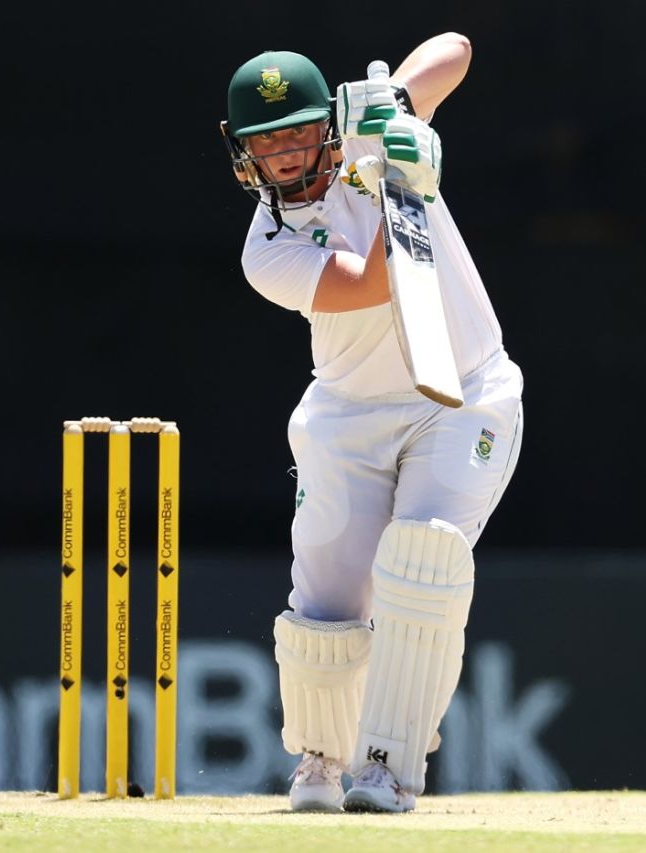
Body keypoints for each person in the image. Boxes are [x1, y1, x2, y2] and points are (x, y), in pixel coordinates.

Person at [221, 33, 524, 813]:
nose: (284, 154)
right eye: (266, 141)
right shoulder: (268, 250)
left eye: (295, 133)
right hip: (347, 414)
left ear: (324, 124)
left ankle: (386, 766)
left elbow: (456, 49)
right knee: (327, 593)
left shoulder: (368, 130)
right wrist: (411, 185)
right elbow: (371, 284)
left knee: (424, 561)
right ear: (242, 152)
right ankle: (320, 760)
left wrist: (396, 109)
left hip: (460, 396)